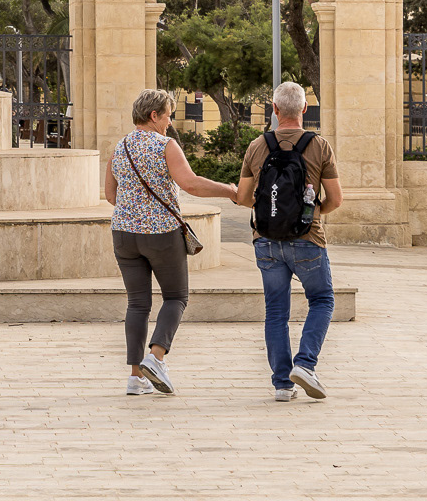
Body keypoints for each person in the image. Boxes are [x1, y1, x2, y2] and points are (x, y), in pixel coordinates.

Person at [105, 87, 242, 396]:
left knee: (137, 303)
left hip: (124, 235)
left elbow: (111, 195)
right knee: (176, 297)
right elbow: (190, 183)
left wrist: (135, 212)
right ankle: (156, 357)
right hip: (162, 235)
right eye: (167, 115)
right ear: (154, 116)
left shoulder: (119, 147)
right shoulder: (166, 146)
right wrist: (231, 191)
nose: (169, 122)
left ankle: (135, 377)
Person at [238, 80, 341, 402]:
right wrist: (312, 214)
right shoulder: (319, 146)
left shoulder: (257, 146)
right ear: (305, 109)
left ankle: (283, 384)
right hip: (308, 239)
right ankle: (306, 364)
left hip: (266, 240)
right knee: (322, 300)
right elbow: (336, 199)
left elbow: (243, 198)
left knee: (276, 311)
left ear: (274, 109)